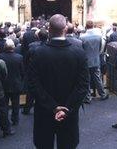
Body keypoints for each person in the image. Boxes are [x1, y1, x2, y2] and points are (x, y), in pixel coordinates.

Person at [28, 14, 90, 149]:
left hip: (44, 112)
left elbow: (33, 84)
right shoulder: (79, 53)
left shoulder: (37, 53)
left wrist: (53, 107)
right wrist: (66, 108)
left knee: (44, 144)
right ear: (66, 29)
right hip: (69, 113)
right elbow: (83, 86)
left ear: (49, 29)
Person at [79, 21, 109, 102]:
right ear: (93, 26)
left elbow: (81, 50)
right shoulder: (98, 36)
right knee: (98, 78)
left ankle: (88, 97)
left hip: (86, 61)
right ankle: (102, 94)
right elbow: (100, 48)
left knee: (87, 80)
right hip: (96, 60)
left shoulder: (82, 37)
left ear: (86, 26)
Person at [0, 39, 25, 126]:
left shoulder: (0, 56)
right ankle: (15, 120)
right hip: (16, 84)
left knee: (4, 104)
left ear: (5, 47)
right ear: (13, 47)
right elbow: (22, 72)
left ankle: (4, 121)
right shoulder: (19, 57)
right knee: (15, 104)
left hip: (4, 84)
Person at [22, 28, 49, 114]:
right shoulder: (51, 46)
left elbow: (25, 60)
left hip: (34, 72)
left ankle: (27, 109)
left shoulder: (32, 47)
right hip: (46, 72)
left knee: (31, 92)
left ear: (37, 37)